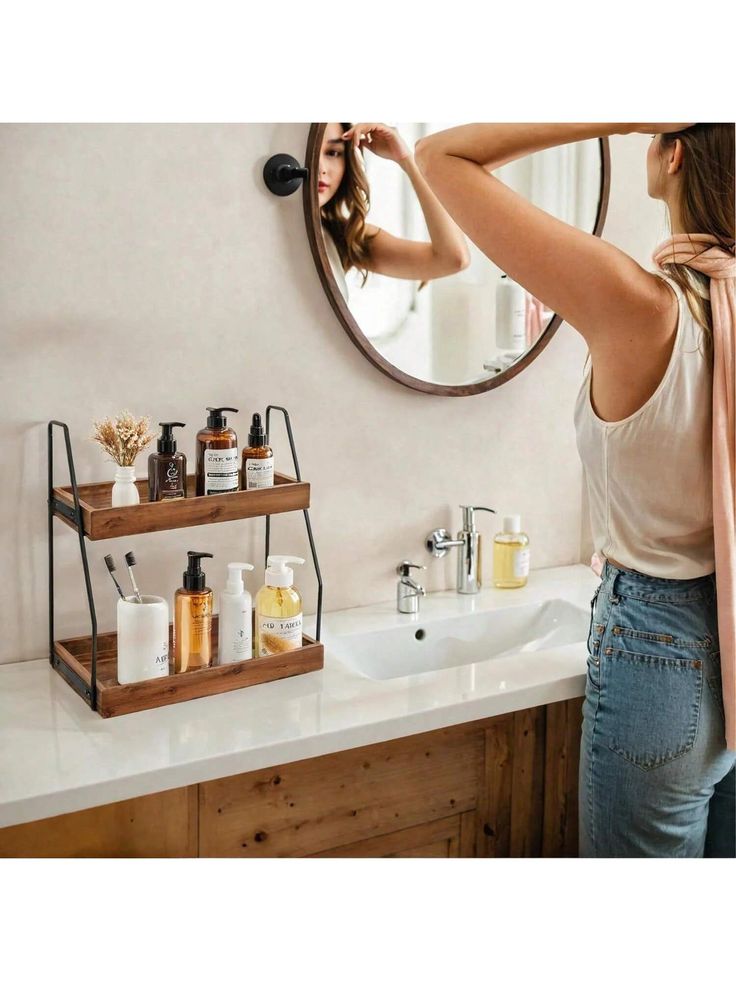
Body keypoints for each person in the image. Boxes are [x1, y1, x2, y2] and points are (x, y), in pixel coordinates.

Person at [414, 122, 735, 858]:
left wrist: (615, 109)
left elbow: (442, 157)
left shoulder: (643, 307)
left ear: (673, 150)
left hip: (661, 648)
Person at [317, 122, 469, 299]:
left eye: (333, 153)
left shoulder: (343, 237)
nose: (321, 169)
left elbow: (453, 258)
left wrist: (406, 160)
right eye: (308, 155)